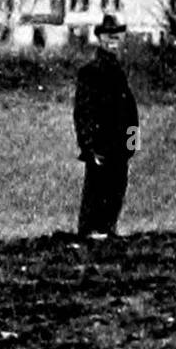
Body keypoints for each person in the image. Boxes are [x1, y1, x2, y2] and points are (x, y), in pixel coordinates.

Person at [73, 13, 138, 239]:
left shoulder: (119, 71)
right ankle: (92, 238)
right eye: (109, 36)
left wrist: (131, 145)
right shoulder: (90, 72)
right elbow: (83, 114)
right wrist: (89, 147)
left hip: (119, 147)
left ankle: (106, 234)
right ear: (100, 38)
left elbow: (130, 112)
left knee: (115, 194)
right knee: (97, 195)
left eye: (117, 36)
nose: (113, 41)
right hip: (101, 146)